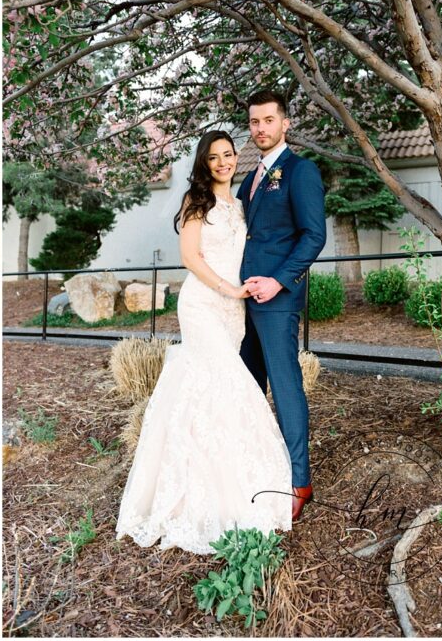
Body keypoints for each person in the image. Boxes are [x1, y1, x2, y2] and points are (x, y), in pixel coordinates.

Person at [116, 129, 293, 555]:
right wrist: (228, 290)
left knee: (213, 390)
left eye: (228, 154)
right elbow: (190, 258)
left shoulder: (242, 201)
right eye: (214, 157)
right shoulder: (197, 201)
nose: (223, 162)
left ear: (236, 157)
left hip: (234, 311)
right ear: (204, 162)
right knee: (226, 384)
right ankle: (195, 497)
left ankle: (223, 477)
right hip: (203, 304)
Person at [238, 90, 327, 521]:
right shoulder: (249, 179)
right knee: (248, 385)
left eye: (269, 120)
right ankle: (255, 468)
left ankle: (299, 481)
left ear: (285, 123)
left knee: (286, 386)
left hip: (276, 300)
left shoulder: (300, 172)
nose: (261, 129)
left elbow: (314, 235)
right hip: (240, 303)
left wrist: (278, 281)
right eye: (255, 122)